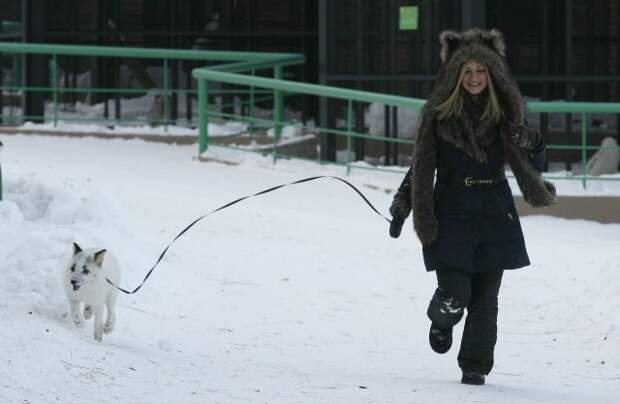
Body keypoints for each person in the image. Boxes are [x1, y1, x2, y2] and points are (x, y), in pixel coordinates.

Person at [388, 28, 556, 386]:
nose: (475, 77)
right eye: (467, 71)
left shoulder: (505, 115)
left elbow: (532, 158)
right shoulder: (437, 114)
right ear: (456, 74)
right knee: (456, 291)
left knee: (485, 298)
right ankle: (443, 318)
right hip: (450, 210)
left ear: (492, 73)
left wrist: (535, 142)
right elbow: (421, 163)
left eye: (481, 70)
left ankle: (475, 364)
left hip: (495, 210)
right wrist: (403, 204)